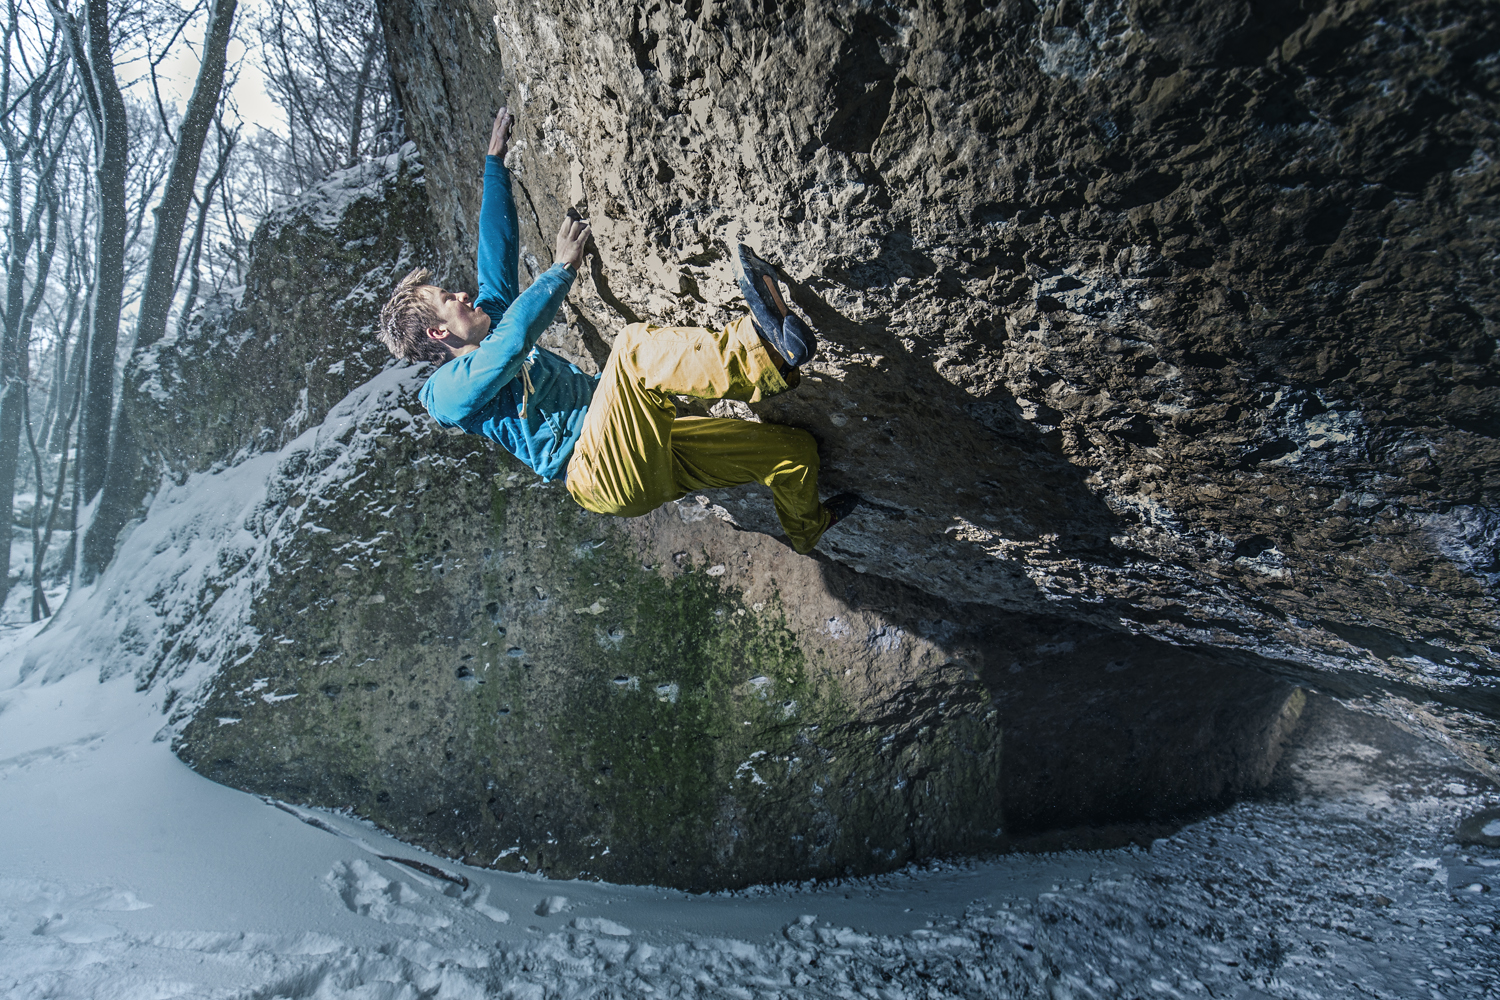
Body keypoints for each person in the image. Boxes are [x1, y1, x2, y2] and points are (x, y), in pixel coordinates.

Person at [378, 108, 859, 554]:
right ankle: (762, 352)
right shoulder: (444, 395)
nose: (462, 295)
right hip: (598, 471)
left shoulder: (490, 323)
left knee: (791, 452)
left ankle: (805, 528)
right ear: (440, 335)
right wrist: (561, 270)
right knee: (629, 350)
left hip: (648, 447)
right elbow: (508, 351)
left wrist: (494, 165)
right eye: (448, 300)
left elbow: (495, 260)